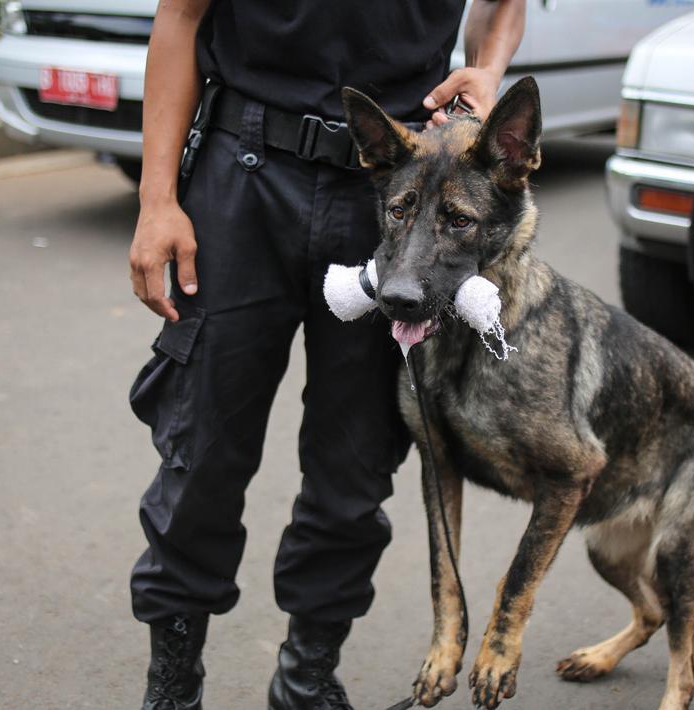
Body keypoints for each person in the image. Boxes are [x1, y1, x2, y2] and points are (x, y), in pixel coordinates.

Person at [126, 2, 525, 708]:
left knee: (356, 461)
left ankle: (306, 680)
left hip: (395, 193)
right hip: (242, 174)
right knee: (201, 452)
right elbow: (181, 14)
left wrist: (488, 69)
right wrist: (157, 198)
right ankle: (171, 685)